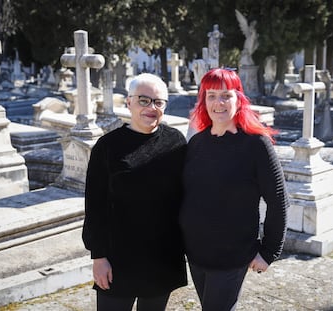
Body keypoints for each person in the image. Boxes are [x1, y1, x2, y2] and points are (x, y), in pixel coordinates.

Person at [180, 68, 289, 311]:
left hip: (232, 254)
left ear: (238, 99)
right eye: (211, 95)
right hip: (196, 253)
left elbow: (278, 199)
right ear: (203, 101)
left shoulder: (255, 144)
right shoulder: (197, 143)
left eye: (225, 95)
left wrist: (269, 251)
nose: (217, 102)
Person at [82, 73, 187, 311]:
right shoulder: (107, 147)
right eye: (143, 100)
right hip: (118, 258)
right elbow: (95, 205)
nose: (151, 107)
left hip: (163, 256)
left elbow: (187, 195)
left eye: (158, 102)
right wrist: (98, 257)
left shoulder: (176, 143)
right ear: (128, 102)